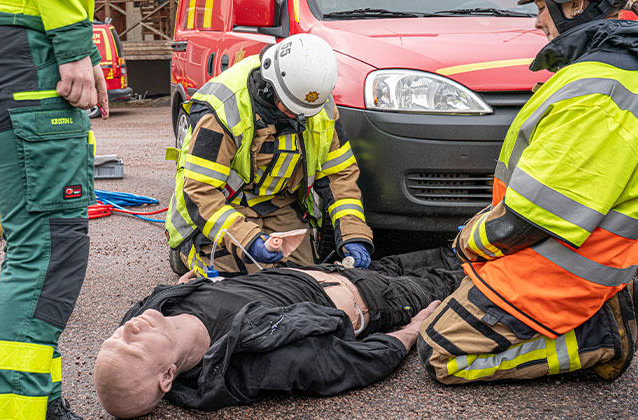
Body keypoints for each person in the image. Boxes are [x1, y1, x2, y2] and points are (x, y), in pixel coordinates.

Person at [417, 0, 638, 385]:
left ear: (576, 4)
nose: (537, 21)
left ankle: (597, 338)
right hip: (570, 256)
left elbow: (531, 218)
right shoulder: (607, 72)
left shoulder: (600, 93)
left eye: (541, 6)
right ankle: (596, 314)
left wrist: (469, 242)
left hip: (557, 268)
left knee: (441, 353)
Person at [0, 0, 108, 417]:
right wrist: (72, 48)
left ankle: (42, 405)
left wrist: (86, 50)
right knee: (47, 252)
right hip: (19, 40)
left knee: (40, 247)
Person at [94, 248, 464, 418]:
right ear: (167, 376)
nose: (128, 330)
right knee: (466, 275)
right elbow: (352, 364)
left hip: (319, 269)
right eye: (134, 348)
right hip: (377, 299)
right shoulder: (252, 364)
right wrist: (413, 330)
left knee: (448, 250)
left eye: (113, 339)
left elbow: (145, 312)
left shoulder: (152, 312)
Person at [165, 34, 373, 278]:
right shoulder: (224, 110)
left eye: (303, 112)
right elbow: (201, 194)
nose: (298, 118)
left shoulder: (316, 105)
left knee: (306, 278)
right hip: (227, 204)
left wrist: (353, 234)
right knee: (244, 282)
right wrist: (248, 239)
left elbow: (340, 176)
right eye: (290, 109)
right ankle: (185, 252)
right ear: (270, 86)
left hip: (278, 203)